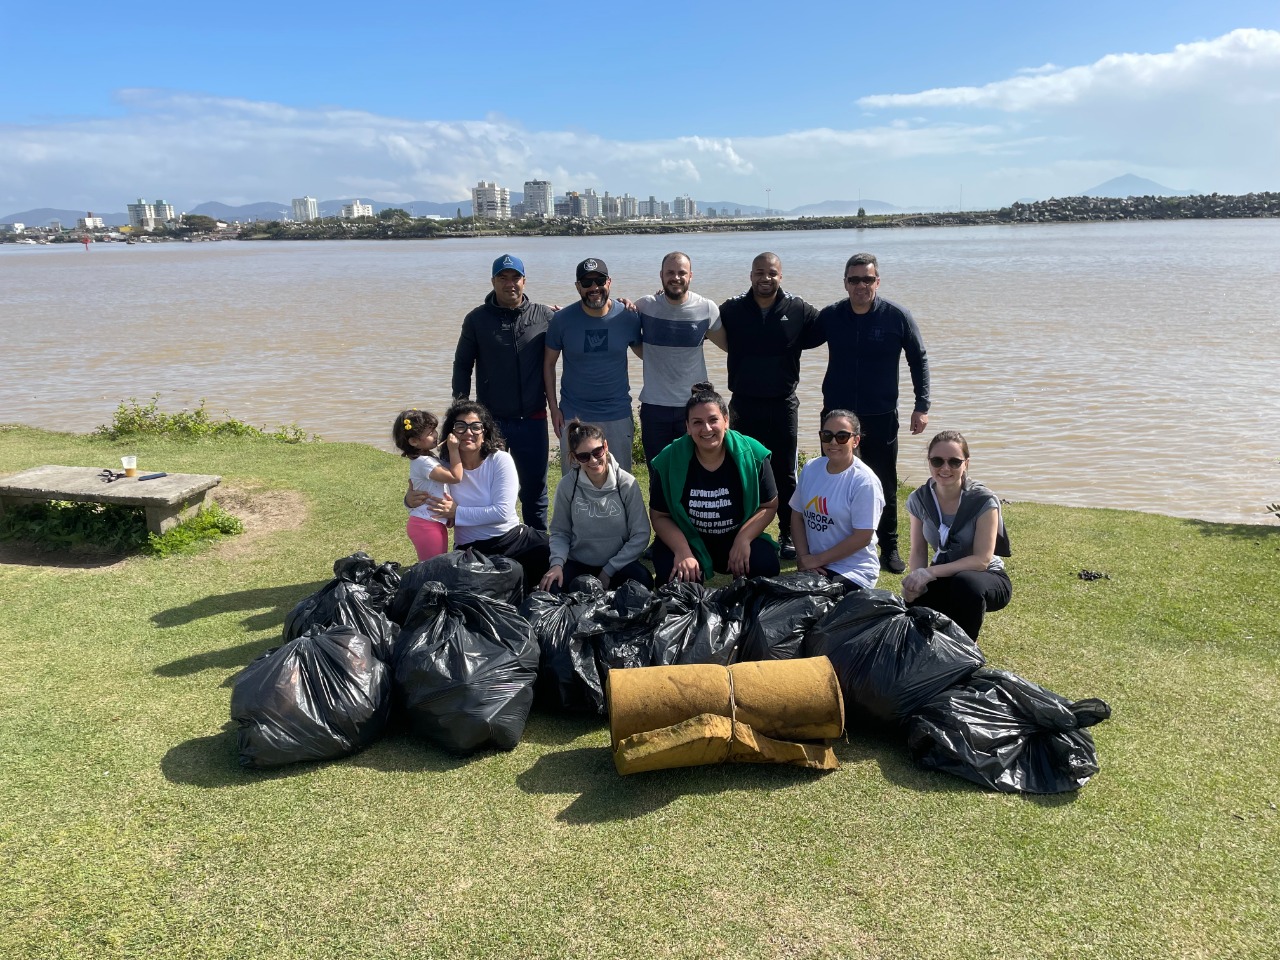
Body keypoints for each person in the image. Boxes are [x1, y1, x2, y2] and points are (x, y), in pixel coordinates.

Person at [811, 253, 931, 574]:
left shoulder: (896, 317)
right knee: (832, 478)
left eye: (867, 279)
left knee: (883, 482)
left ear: (877, 281)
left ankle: (888, 544)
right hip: (836, 416)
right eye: (854, 280)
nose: (861, 285)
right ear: (845, 283)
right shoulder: (832, 316)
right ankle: (827, 540)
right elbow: (796, 337)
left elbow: (918, 358)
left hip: (880, 414)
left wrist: (922, 405)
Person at [716, 252, 822, 560]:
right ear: (750, 276)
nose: (766, 278)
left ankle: (788, 532)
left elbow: (832, 325)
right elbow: (699, 318)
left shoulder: (798, 309)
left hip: (783, 403)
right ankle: (739, 530)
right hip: (743, 404)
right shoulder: (732, 309)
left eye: (772, 273)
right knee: (741, 468)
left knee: (785, 472)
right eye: (760, 272)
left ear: (781, 276)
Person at [452, 254, 555, 531]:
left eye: (515, 278)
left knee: (534, 490)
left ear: (524, 280)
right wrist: (460, 412)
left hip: (532, 420)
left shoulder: (544, 316)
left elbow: (581, 317)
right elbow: (463, 365)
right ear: (493, 281)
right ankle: (486, 542)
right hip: (491, 423)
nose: (510, 284)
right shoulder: (476, 320)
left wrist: (622, 305)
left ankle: (537, 543)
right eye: (503, 278)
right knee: (486, 489)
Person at [648, 381, 781, 585]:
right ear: (688, 427)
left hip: (735, 536)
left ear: (726, 421)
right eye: (697, 422)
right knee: (672, 574)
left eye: (713, 420)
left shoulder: (753, 454)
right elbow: (659, 516)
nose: (706, 429)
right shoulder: (667, 460)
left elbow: (769, 505)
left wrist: (744, 539)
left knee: (765, 564)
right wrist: (682, 551)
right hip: (688, 537)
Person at [415, 400, 550, 592]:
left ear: (484, 431)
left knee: (558, 554)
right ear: (451, 433)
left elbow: (502, 512)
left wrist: (457, 513)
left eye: (475, 427)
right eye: (461, 426)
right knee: (506, 575)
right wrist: (408, 499)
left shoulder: (499, 460)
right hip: (472, 547)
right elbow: (425, 501)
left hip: (513, 538)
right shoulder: (444, 467)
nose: (468, 433)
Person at [902, 430, 1012, 640]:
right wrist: (916, 581)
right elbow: (917, 550)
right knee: (915, 605)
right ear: (929, 462)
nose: (945, 468)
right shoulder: (919, 499)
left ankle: (964, 653)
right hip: (945, 573)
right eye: (937, 461)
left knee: (965, 584)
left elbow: (982, 561)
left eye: (954, 462)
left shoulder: (983, 501)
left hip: (986, 577)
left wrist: (930, 573)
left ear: (966, 464)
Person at [543, 257, 642, 470]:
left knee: (619, 480)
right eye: (586, 283)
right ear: (578, 286)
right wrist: (553, 408)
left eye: (599, 280)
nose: (594, 287)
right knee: (575, 483)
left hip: (617, 413)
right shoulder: (561, 320)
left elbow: (647, 353)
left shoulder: (628, 317)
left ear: (609, 282)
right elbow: (548, 364)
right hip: (574, 415)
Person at [538, 419, 653, 593]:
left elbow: (641, 534)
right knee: (552, 586)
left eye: (597, 452)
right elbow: (560, 532)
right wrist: (557, 564)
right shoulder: (567, 485)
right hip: (579, 563)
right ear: (575, 457)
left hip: (617, 565)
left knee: (643, 581)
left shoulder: (627, 484)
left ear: (605, 447)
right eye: (584, 456)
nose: (592, 460)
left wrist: (608, 570)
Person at [634, 252, 724, 472]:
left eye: (682, 273)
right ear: (661, 276)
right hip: (655, 407)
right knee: (658, 474)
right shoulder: (645, 306)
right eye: (670, 273)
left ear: (691, 275)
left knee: (693, 473)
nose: (676, 277)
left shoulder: (707, 308)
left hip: (694, 406)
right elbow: (622, 329)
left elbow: (731, 346)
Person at [789, 410, 885, 591]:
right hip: (814, 565)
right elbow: (797, 515)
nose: (833, 442)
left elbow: (863, 537)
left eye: (842, 436)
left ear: (855, 440)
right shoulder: (811, 468)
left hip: (854, 571)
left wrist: (816, 560)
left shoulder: (865, 482)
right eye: (827, 435)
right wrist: (803, 558)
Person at [393, 408, 463, 561]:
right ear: (413, 441)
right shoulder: (423, 462)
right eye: (430, 433)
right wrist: (454, 450)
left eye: (434, 430)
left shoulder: (426, 458)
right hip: (426, 525)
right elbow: (455, 476)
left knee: (437, 565)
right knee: (432, 568)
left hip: (432, 522)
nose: (436, 435)